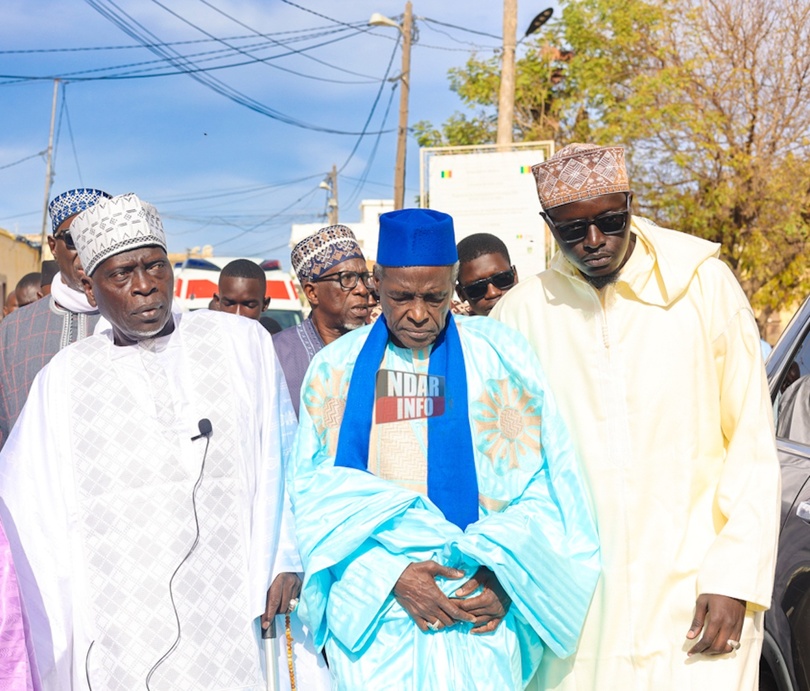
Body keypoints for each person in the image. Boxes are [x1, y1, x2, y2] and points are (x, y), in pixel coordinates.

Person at [0, 193, 329, 690]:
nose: (145, 286)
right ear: (91, 288)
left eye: (155, 266)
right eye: (122, 275)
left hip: (233, 603)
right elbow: (24, 507)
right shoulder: (63, 380)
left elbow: (286, 458)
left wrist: (286, 556)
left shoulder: (240, 344)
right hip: (122, 623)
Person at [492, 143, 781, 690]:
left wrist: (735, 575)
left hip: (695, 588)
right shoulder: (523, 314)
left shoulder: (703, 288)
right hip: (578, 607)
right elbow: (504, 467)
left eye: (609, 220)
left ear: (629, 202)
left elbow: (751, 440)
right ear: (548, 225)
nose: (594, 241)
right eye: (573, 230)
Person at [289, 208, 600, 690]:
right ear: (376, 281)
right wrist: (389, 574)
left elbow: (551, 481)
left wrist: (508, 576)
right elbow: (313, 501)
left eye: (435, 298)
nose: (418, 313)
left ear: (454, 284)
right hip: (383, 626)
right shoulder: (334, 372)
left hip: (483, 618)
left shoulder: (503, 356)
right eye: (401, 297)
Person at [0, 188, 109, 449]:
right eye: (74, 239)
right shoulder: (12, 330)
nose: (87, 248)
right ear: (53, 247)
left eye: (98, 237)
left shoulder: (132, 322)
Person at [273, 224, 371, 417]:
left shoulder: (380, 346)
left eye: (364, 277)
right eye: (347, 278)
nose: (362, 289)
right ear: (312, 293)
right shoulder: (277, 354)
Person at [456, 233, 518, 316]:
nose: (492, 293)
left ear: (515, 276)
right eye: (477, 288)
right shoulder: (458, 327)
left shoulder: (538, 315)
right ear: (461, 294)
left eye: (502, 279)